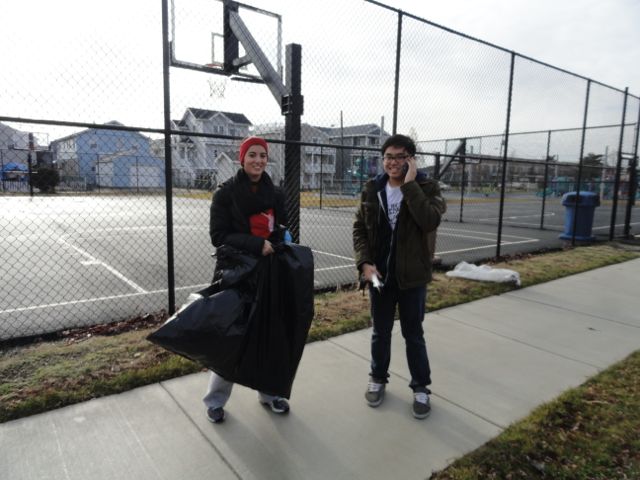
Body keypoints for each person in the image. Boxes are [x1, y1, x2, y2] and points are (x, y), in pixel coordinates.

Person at [353, 134, 446, 419]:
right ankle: (378, 378)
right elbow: (360, 229)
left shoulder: (428, 188)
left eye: (400, 157)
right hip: (380, 277)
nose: (393, 162)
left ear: (411, 160)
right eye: (388, 157)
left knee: (413, 335)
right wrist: (365, 264)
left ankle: (420, 387)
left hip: (412, 278)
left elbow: (430, 220)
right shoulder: (372, 189)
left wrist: (409, 186)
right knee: (380, 333)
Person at [203, 136, 290, 424]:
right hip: (236, 274)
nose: (258, 160)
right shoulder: (225, 194)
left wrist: (280, 240)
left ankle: (270, 393)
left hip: (269, 273)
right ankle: (215, 401)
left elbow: (282, 228)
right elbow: (219, 236)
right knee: (232, 338)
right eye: (252, 155)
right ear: (242, 159)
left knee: (269, 336)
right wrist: (255, 245)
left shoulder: (276, 194)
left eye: (263, 156)